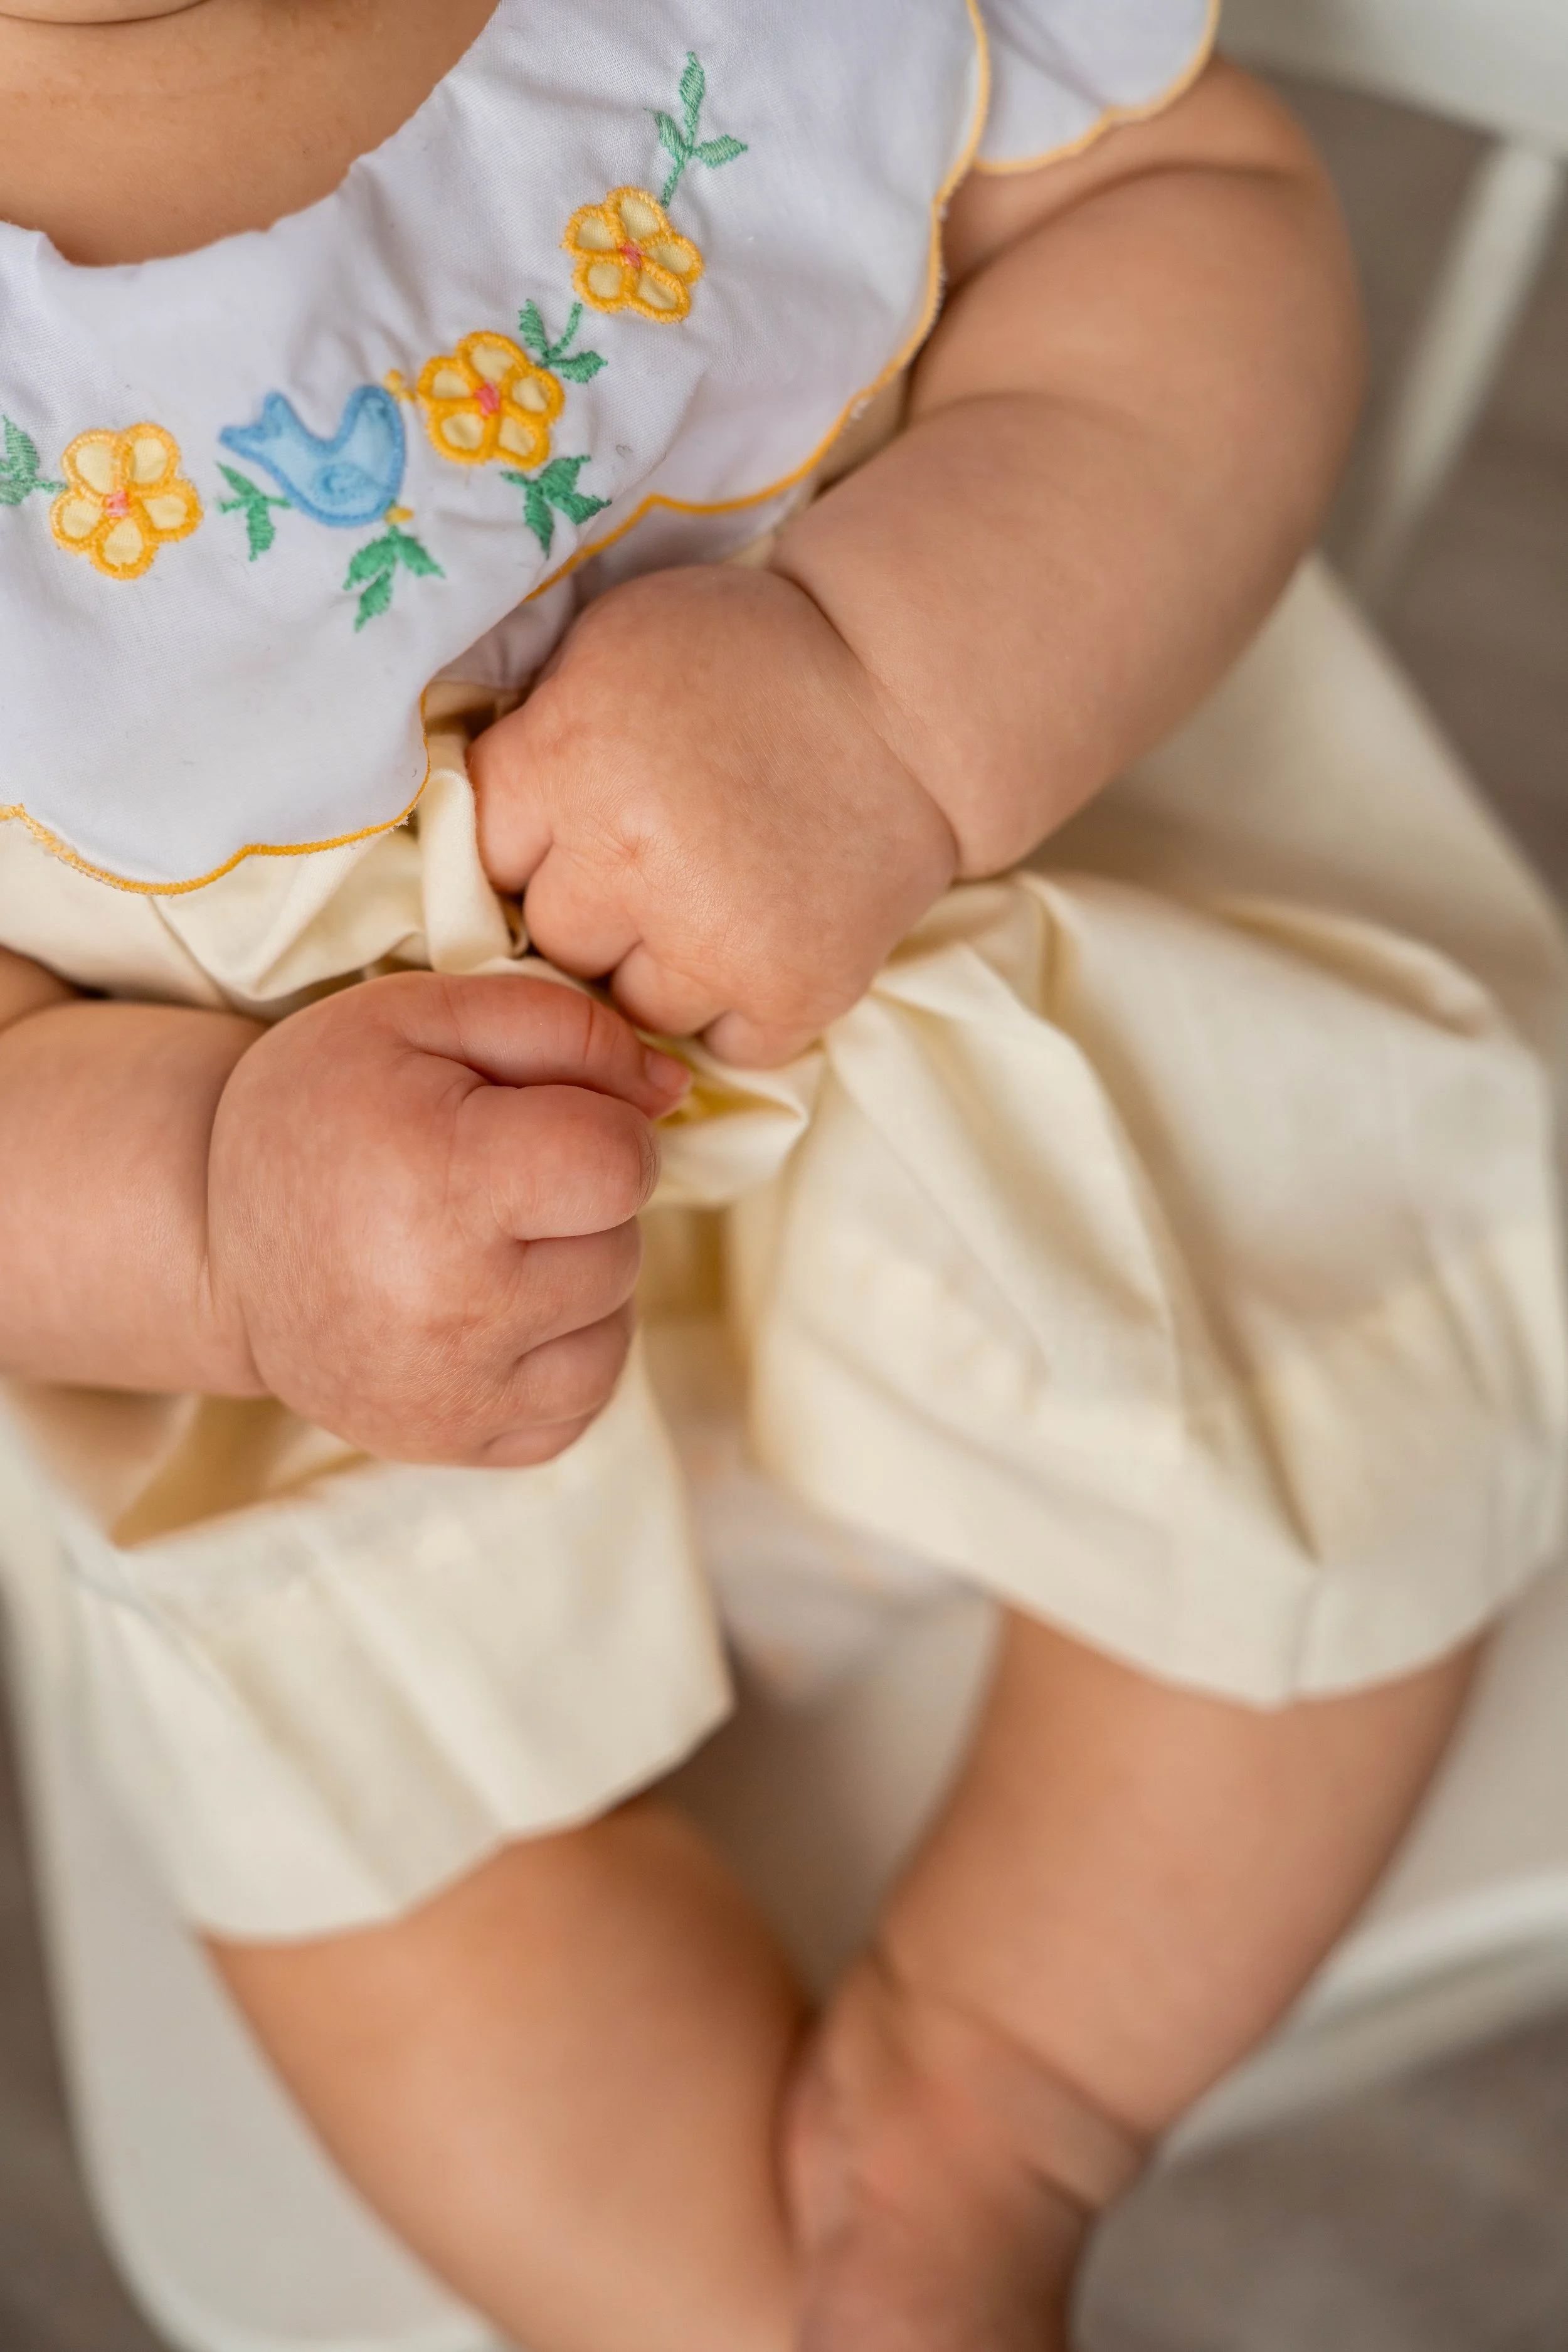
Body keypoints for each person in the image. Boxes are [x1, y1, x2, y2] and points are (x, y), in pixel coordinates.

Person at [0, 1, 1563, 2345]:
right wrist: (215, 1214)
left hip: (992, 943)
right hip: (319, 1291)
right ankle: (762, 2304)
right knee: (385, 1874)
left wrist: (881, 690)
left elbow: (1182, 214)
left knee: (1336, 1392)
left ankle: (999, 2108)